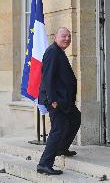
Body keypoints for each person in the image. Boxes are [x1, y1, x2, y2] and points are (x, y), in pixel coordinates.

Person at [37, 27, 81, 175]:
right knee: (58, 130)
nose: (67, 39)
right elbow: (47, 78)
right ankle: (44, 164)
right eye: (64, 36)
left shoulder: (58, 52)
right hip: (56, 100)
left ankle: (62, 148)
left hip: (64, 100)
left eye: (69, 36)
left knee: (75, 119)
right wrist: (52, 100)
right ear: (55, 36)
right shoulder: (52, 52)